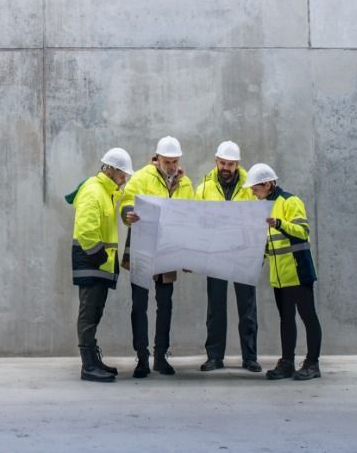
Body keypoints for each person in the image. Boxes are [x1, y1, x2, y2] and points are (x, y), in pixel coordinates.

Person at [119, 136, 194, 378]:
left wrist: (187, 253)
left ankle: (160, 357)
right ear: (157, 158)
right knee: (139, 305)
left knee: (165, 305)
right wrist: (129, 213)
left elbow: (190, 217)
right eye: (167, 161)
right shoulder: (142, 177)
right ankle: (142, 358)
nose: (171, 166)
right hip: (142, 246)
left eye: (174, 161)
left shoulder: (185, 184)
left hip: (168, 248)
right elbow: (127, 200)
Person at [244, 163, 322, 381]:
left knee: (308, 317)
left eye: (256, 188)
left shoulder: (290, 201)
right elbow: (270, 243)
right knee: (286, 319)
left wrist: (279, 223)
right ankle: (287, 362)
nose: (253, 193)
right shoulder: (264, 206)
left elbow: (302, 231)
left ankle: (312, 363)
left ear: (268, 184)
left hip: (298, 270)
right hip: (279, 276)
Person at [197, 140, 262, 373]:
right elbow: (196, 222)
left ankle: (250, 358)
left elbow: (260, 219)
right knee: (215, 308)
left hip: (243, 254)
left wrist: (258, 251)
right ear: (216, 161)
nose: (226, 168)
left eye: (231, 164)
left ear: (237, 164)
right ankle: (214, 357)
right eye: (223, 163)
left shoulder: (251, 186)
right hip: (215, 254)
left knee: (247, 308)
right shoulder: (203, 188)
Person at [70, 147, 134, 383]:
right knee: (88, 314)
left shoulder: (106, 192)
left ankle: (93, 360)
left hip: (99, 264)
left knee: (95, 312)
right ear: (110, 170)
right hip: (92, 263)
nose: (124, 179)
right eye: (122, 174)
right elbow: (86, 230)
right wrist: (98, 256)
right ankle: (88, 366)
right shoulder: (93, 191)